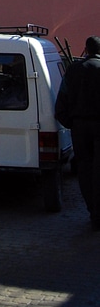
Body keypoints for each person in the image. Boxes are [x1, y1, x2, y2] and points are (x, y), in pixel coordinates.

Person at [55, 35, 100, 229]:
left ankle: (93, 211)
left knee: (85, 169)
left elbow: (61, 102)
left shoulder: (73, 70)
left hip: (80, 127)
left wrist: (72, 123)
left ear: (86, 49)